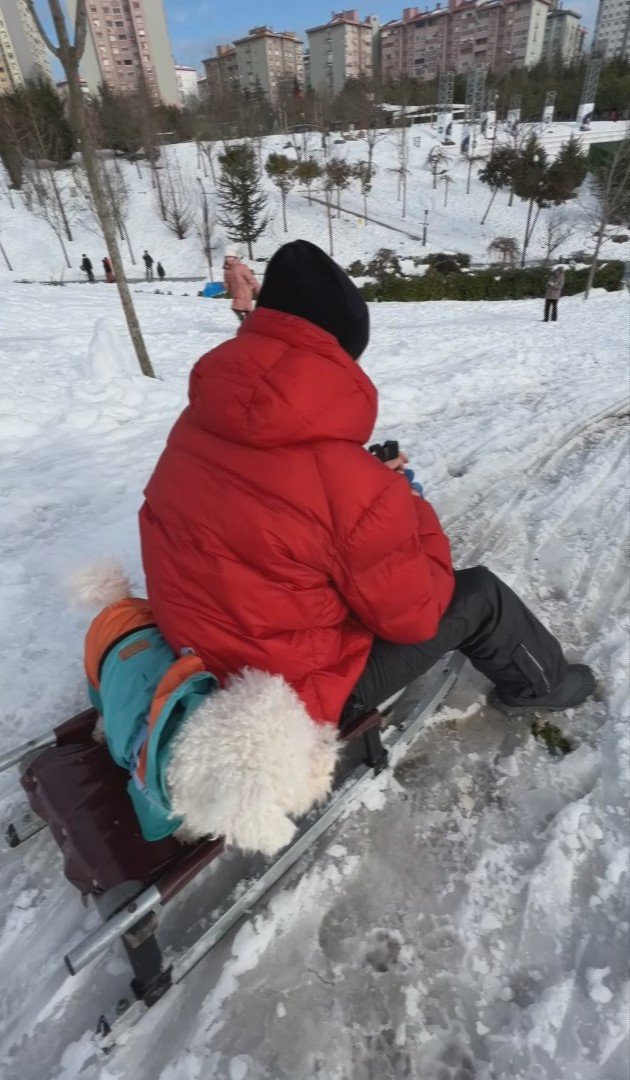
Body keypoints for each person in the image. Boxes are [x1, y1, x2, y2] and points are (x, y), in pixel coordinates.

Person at [139, 239, 594, 745]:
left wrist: (363, 485)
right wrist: (401, 503)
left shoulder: (198, 424)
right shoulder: (349, 487)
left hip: (203, 654)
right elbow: (414, 617)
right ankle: (543, 684)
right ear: (339, 356)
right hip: (292, 696)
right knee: (482, 595)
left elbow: (279, 506)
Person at [222, 246, 259, 322]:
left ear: (235, 257)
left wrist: (258, 289)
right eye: (227, 257)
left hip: (244, 292)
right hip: (236, 293)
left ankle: (247, 324)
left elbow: (251, 279)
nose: (229, 259)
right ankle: (248, 324)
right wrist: (226, 286)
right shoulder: (227, 269)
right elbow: (227, 281)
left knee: (237, 308)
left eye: (231, 257)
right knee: (244, 311)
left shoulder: (241, 267)